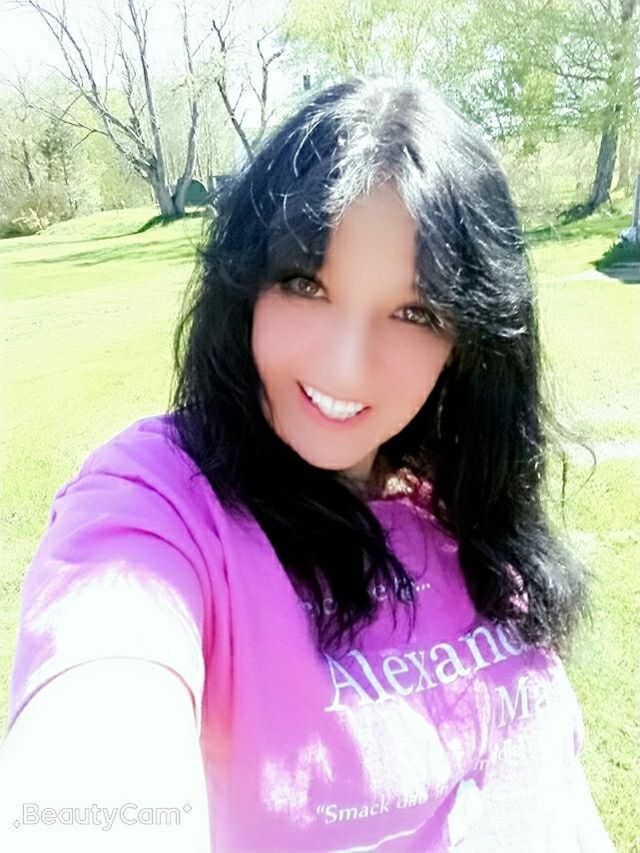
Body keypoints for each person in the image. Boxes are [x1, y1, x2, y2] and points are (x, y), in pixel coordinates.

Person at [0, 77, 617, 852]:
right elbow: (98, 723)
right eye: (305, 282)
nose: (345, 364)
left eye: (415, 311)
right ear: (245, 287)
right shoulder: (162, 502)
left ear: (470, 338)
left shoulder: (459, 496)